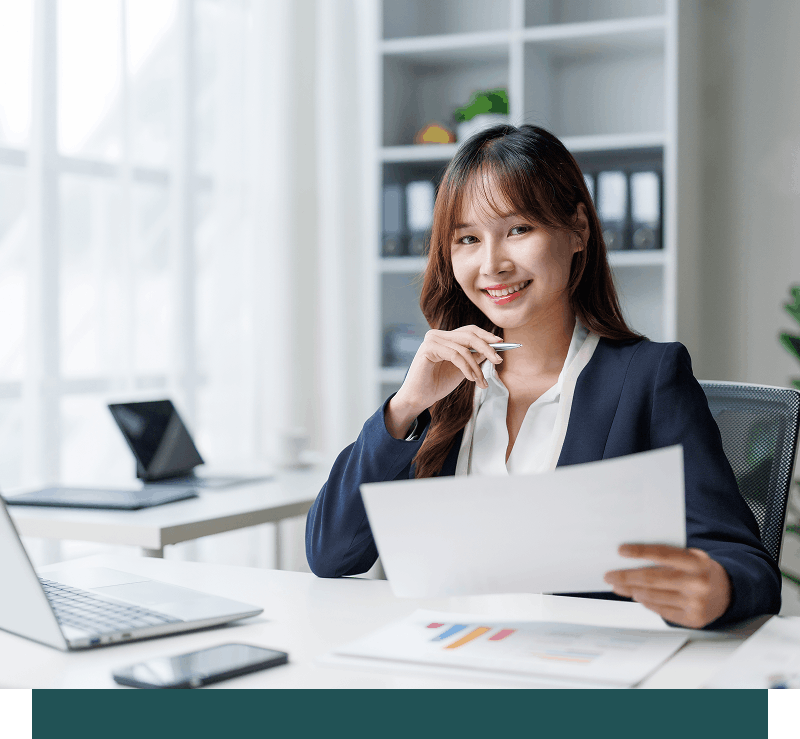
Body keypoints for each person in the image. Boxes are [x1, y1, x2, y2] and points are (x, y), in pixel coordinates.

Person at [305, 124, 781, 629]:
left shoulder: (648, 377)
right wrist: (404, 407)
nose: (492, 264)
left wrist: (717, 587)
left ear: (577, 230)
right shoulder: (444, 382)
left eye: (518, 230)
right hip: (449, 666)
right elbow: (331, 554)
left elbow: (747, 564)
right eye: (468, 238)